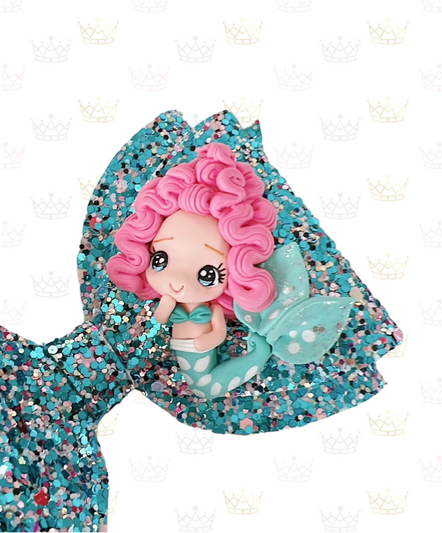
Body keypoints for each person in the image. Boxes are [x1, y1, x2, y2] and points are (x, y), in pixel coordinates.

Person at [0, 109, 403, 531]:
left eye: (206, 274)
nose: (175, 280)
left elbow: (195, 337)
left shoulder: (198, 316)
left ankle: (254, 355)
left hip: (194, 368)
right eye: (160, 258)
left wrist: (217, 339)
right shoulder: (158, 307)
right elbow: (158, 322)